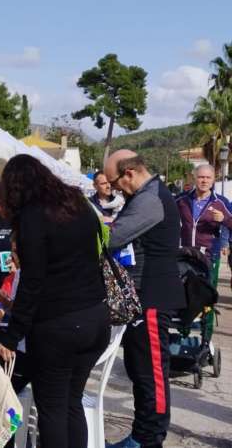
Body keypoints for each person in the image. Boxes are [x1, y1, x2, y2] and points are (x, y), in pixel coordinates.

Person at [0, 154, 110, 448]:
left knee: (54, 408)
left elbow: (33, 281)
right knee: (72, 402)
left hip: (59, 323)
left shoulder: (34, 216)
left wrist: (12, 335)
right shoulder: (77, 204)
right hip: (95, 316)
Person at [104, 151, 186, 448]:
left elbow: (112, 238)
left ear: (129, 173)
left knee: (151, 373)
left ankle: (150, 438)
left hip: (152, 294)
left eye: (114, 182)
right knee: (140, 371)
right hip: (143, 296)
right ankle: (141, 434)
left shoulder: (150, 199)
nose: (114, 189)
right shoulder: (145, 196)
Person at [175, 164, 232, 285]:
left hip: (208, 254)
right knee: (183, 292)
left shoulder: (221, 202)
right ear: (194, 178)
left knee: (206, 294)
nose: (204, 180)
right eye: (201, 177)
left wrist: (224, 219)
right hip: (185, 252)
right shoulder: (181, 199)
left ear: (213, 180)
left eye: (208, 177)